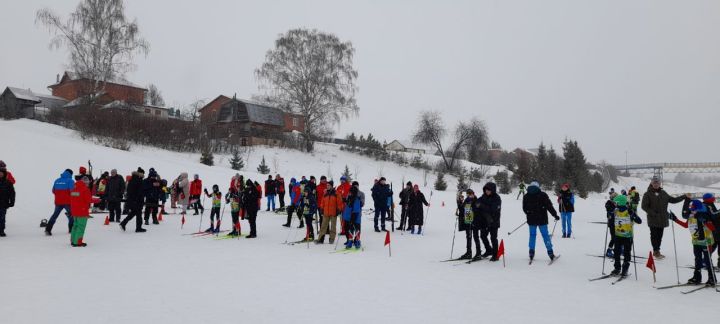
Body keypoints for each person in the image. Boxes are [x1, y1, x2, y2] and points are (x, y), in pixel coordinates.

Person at [641, 176, 689, 259]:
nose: (656, 184)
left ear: (660, 184)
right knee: (654, 235)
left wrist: (684, 196)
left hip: (662, 219)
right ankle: (656, 251)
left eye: (657, 183)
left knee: (659, 236)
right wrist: (653, 213)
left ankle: (657, 250)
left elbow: (673, 200)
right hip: (653, 219)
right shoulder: (647, 194)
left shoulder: (663, 193)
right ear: (651, 183)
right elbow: (644, 206)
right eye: (654, 183)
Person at [672, 200, 717, 285]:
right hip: (696, 241)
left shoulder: (704, 214)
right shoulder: (691, 216)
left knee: (707, 260)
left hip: (706, 241)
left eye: (693, 208)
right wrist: (675, 219)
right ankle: (697, 277)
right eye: (690, 208)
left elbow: (712, 228)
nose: (691, 210)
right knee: (697, 260)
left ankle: (712, 278)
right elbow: (686, 225)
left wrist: (705, 221)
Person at [522, 181, 559, 261]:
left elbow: (524, 208)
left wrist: (530, 213)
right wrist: (555, 215)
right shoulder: (543, 195)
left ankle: (531, 252)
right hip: (542, 219)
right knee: (545, 236)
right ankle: (550, 253)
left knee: (532, 235)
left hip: (531, 220)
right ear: (538, 187)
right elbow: (549, 206)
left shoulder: (526, 196)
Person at [610, 194, 642, 277]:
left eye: (616, 202)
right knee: (616, 252)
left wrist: (633, 215)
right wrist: (610, 218)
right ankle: (617, 268)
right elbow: (611, 222)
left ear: (620, 203)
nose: (615, 204)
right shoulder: (615, 211)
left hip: (627, 236)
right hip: (618, 235)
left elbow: (639, 221)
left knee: (626, 253)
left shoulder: (628, 211)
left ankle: (625, 269)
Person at [69, 174, 99, 247]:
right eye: (88, 183)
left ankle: (73, 240)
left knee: (75, 226)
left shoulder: (74, 188)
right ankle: (77, 242)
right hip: (82, 211)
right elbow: (89, 200)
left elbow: (74, 198)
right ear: (85, 183)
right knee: (81, 227)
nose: (88, 184)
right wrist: (97, 200)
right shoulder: (85, 189)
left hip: (74, 211)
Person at [46, 169, 75, 236]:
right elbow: (72, 192)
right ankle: (71, 229)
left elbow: (53, 191)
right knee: (72, 215)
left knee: (54, 215)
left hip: (58, 202)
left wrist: (59, 195)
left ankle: (48, 229)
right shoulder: (70, 181)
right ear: (70, 174)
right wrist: (78, 195)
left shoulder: (57, 180)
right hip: (68, 202)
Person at [478, 182, 502, 261]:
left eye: (489, 190)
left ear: (493, 190)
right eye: (486, 190)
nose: (487, 191)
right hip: (485, 221)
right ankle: (489, 250)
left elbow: (493, 210)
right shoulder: (483, 196)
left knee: (493, 238)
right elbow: (477, 203)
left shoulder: (497, 198)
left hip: (494, 221)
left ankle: (495, 254)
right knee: (483, 236)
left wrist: (482, 206)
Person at [119, 168, 147, 233]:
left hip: (132, 200)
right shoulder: (138, 180)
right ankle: (138, 228)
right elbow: (139, 192)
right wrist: (138, 199)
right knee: (138, 214)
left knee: (133, 213)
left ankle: (123, 223)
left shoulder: (132, 179)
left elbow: (130, 190)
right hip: (137, 201)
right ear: (140, 174)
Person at [458, 189, 481, 260]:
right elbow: (462, 209)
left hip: (475, 221)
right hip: (468, 220)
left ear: (473, 194)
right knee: (468, 237)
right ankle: (468, 252)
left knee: (475, 237)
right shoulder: (467, 200)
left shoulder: (476, 200)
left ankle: (478, 253)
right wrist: (459, 202)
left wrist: (471, 206)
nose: (469, 195)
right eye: (468, 194)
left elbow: (478, 210)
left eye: (470, 194)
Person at [702, 193, 719, 268]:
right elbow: (713, 215)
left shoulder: (709, 204)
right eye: (712, 197)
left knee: (713, 245)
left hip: (714, 228)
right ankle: (705, 261)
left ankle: (705, 261)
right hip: (714, 228)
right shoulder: (707, 205)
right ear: (709, 199)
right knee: (714, 244)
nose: (714, 198)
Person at [300, 177, 318, 242]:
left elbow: (315, 205)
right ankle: (308, 235)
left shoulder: (311, 197)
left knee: (309, 224)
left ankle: (311, 235)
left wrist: (312, 211)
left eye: (306, 192)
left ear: (309, 192)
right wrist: (301, 204)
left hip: (310, 213)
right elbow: (303, 205)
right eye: (305, 192)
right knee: (307, 224)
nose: (305, 193)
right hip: (305, 212)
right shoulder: (304, 197)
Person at [0, 167, 16, 237]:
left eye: (1, 173)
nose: (0, 174)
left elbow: (12, 193)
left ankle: (1, 231)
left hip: (3, 204)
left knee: (2, 218)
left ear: (4, 174)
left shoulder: (8, 183)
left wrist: (12, 202)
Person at [604, 190, 619, 258]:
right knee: (614, 238)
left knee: (619, 237)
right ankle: (609, 251)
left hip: (618, 224)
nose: (616, 201)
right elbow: (608, 209)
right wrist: (613, 211)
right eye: (615, 199)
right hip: (612, 223)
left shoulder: (618, 204)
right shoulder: (609, 203)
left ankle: (618, 249)